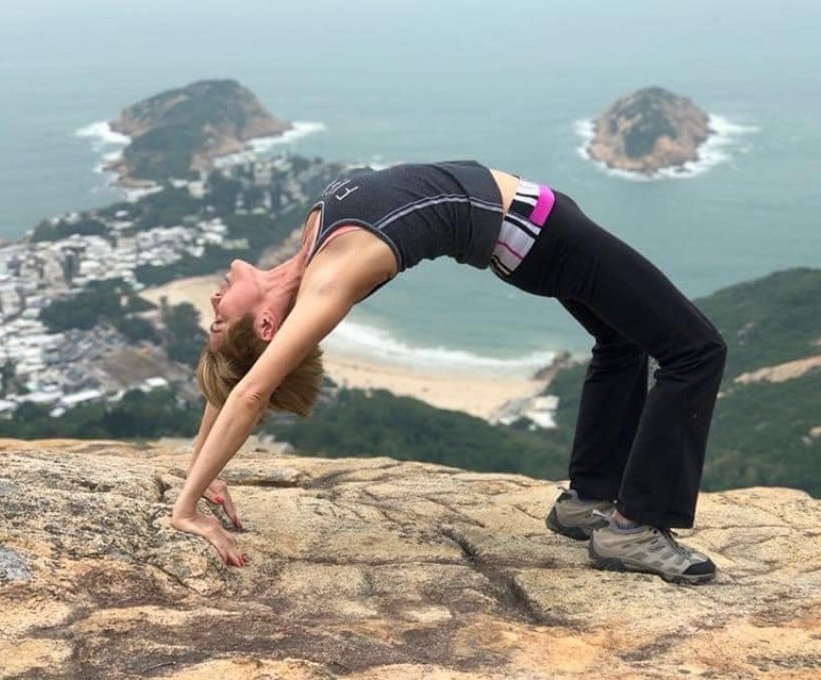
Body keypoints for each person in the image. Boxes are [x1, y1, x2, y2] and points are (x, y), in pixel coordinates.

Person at [172, 160, 727, 585]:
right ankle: (633, 529)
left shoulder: (310, 247)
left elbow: (238, 376)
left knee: (621, 338)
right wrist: (187, 508)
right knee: (696, 349)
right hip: (541, 236)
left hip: (537, 230)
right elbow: (251, 388)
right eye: (218, 319)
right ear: (267, 323)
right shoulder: (329, 278)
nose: (215, 299)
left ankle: (590, 500)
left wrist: (202, 464)